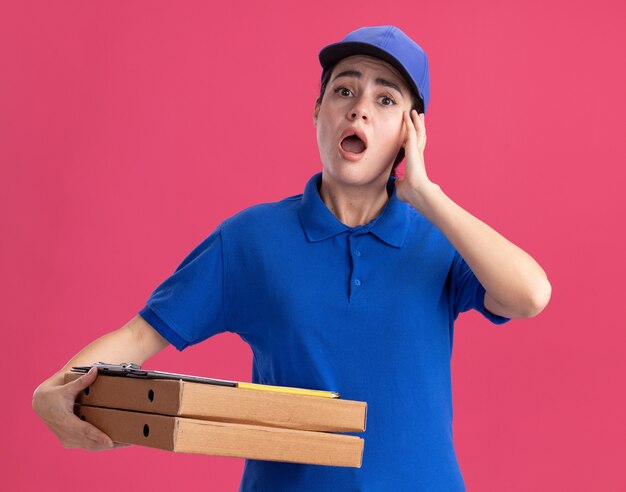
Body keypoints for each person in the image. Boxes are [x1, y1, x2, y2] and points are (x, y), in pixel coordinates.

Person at [33, 25, 551, 491]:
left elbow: (529, 295)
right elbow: (140, 336)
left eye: (386, 99)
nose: (360, 107)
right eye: (344, 90)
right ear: (317, 111)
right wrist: (49, 392)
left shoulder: (442, 240)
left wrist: (426, 193)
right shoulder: (250, 240)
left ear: (411, 133)